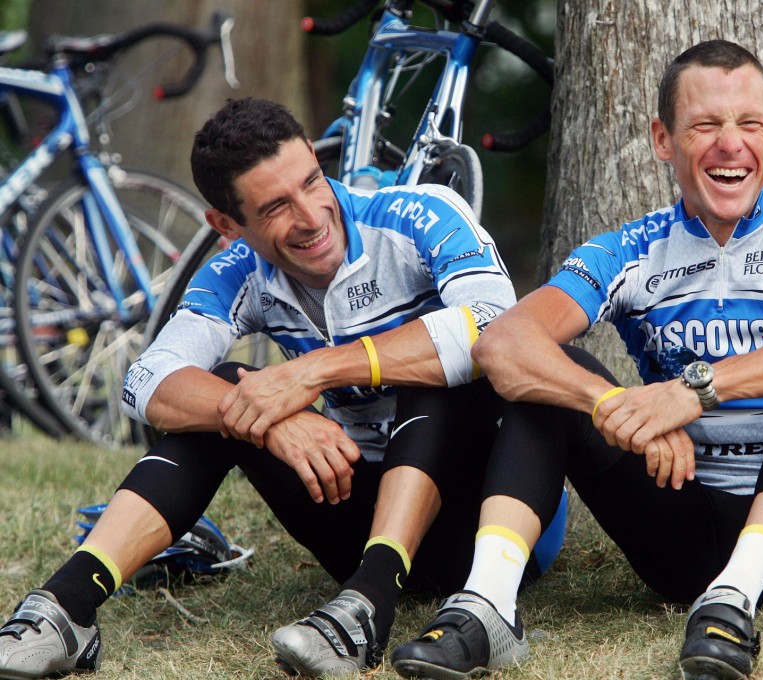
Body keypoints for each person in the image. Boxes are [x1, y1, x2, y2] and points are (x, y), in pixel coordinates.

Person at [0, 97, 566, 679]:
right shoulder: (237, 271)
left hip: (489, 524)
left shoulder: (418, 214)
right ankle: (65, 608)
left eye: (313, 180)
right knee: (226, 389)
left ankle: (368, 609)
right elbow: (146, 380)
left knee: (427, 363)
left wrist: (312, 372)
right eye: (275, 207)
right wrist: (268, 414)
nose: (313, 215)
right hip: (358, 518)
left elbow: (500, 326)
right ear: (227, 225)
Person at [387, 39, 763, 680]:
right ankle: (486, 607)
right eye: (705, 126)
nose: (730, 145)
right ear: (663, 139)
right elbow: (503, 343)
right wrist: (609, 403)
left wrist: (695, 392)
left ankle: (734, 601)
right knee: (549, 376)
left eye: (749, 125)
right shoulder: (629, 250)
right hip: (685, 540)